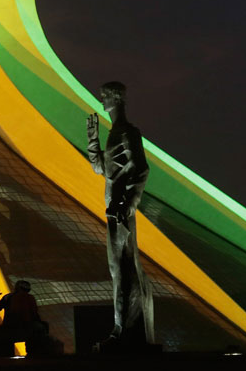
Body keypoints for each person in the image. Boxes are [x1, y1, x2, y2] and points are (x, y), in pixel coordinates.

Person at [87, 81, 154, 347]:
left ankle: (121, 329)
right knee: (117, 269)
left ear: (116, 99)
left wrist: (129, 203)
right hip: (112, 209)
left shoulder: (128, 133)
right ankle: (122, 326)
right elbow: (101, 170)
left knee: (122, 268)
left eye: (104, 97)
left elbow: (142, 170)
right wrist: (92, 141)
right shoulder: (113, 134)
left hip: (120, 211)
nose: (102, 101)